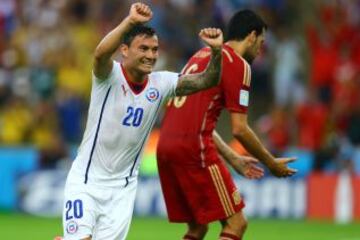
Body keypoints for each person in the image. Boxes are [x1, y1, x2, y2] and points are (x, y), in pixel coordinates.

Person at [59, 3, 224, 240]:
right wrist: (131, 21)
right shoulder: (109, 75)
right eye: (143, 48)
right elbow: (100, 53)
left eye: (155, 49)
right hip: (86, 181)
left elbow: (208, 80)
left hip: (122, 189)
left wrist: (216, 51)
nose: (150, 55)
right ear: (124, 50)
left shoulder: (163, 83)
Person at [156, 9, 297, 240]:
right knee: (236, 224)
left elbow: (198, 118)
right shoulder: (238, 64)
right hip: (193, 149)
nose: (260, 49)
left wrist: (233, 158)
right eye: (260, 42)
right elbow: (239, 129)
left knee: (197, 228)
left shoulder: (201, 55)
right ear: (251, 36)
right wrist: (270, 162)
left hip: (166, 147)